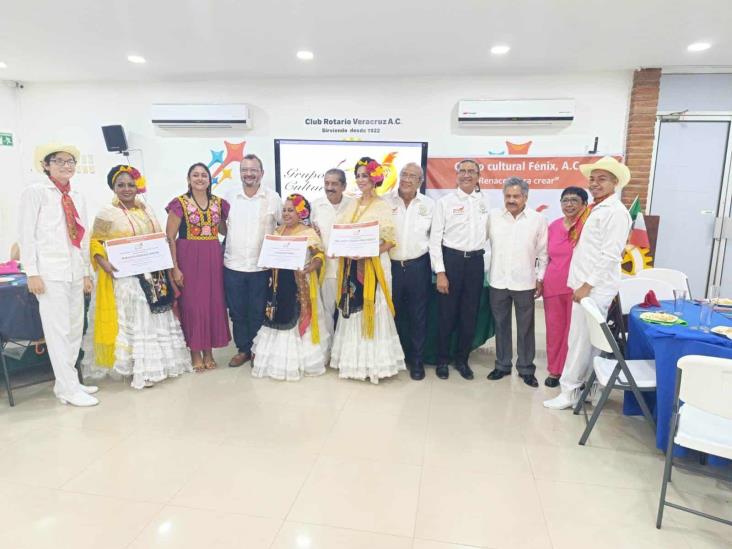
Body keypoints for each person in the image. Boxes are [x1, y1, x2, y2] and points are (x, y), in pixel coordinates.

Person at [84, 165, 191, 389]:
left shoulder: (146, 209)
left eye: (130, 184)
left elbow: (159, 236)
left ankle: (158, 364)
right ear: (113, 187)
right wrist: (102, 261)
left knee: (154, 319)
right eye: (120, 185)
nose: (126, 189)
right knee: (136, 321)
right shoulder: (107, 212)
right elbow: (96, 241)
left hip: (153, 275)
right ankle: (137, 369)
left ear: (137, 186)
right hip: (126, 279)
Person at [544, 156, 632, 410]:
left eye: (601, 179)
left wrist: (587, 285)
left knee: (580, 342)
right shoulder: (596, 208)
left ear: (615, 183)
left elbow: (610, 255)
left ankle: (569, 390)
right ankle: (590, 389)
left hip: (594, 289)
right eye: (592, 179)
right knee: (590, 342)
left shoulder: (615, 213)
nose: (594, 184)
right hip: (586, 287)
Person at [18, 143, 98, 406]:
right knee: (58, 331)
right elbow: (26, 235)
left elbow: (83, 237)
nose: (67, 166)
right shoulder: (36, 192)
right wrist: (32, 272)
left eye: (71, 161)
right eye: (60, 161)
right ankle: (66, 388)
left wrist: (86, 272)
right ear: (46, 165)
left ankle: (70, 383)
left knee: (75, 328)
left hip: (75, 269)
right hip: (49, 272)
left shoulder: (77, 195)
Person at [329, 157, 406, 383]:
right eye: (358, 175)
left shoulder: (382, 206)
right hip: (351, 267)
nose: (361, 180)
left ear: (375, 178)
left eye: (365, 175)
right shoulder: (351, 204)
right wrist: (338, 248)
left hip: (374, 267)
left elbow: (390, 241)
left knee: (373, 310)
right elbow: (341, 232)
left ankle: (375, 365)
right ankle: (353, 363)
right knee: (353, 311)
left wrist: (369, 252)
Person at [251, 194, 329, 380]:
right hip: (278, 285)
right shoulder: (277, 232)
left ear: (300, 212)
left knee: (300, 320)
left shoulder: (308, 233)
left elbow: (319, 256)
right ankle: (273, 361)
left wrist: (311, 267)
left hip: (300, 284)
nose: (286, 214)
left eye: (290, 210)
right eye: (284, 210)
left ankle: (301, 362)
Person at [166, 163, 231, 371]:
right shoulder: (179, 203)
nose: (200, 178)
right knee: (193, 304)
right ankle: (195, 351)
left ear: (210, 179)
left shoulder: (219, 203)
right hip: (188, 256)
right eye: (195, 175)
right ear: (188, 179)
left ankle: (209, 351)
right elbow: (170, 237)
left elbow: (223, 230)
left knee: (212, 303)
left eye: (204, 175)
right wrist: (175, 267)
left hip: (212, 257)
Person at [429, 159, 489, 380]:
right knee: (447, 314)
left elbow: (488, 235)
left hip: (475, 263)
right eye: (462, 171)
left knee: (469, 314)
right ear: (456, 176)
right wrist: (441, 273)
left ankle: (462, 360)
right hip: (451, 261)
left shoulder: (484, 201)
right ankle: (442, 360)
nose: (466, 175)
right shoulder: (445, 202)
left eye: (471, 171)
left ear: (478, 176)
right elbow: (434, 240)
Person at [485, 177, 548, 388]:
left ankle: (526, 368)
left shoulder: (537, 219)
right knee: (501, 325)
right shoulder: (493, 217)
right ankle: (502, 365)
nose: (511, 200)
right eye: (508, 196)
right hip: (498, 280)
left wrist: (540, 278)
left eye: (516, 196)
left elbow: (543, 253)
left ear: (525, 197)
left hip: (525, 281)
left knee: (526, 328)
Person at [223, 154, 282, 367]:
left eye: (253, 170)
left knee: (258, 311)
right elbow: (221, 226)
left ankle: (258, 350)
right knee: (237, 311)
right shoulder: (229, 196)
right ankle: (243, 349)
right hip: (233, 264)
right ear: (240, 173)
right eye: (245, 170)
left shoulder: (273, 197)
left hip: (261, 266)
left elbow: (283, 226)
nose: (249, 174)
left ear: (262, 173)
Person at [385, 162, 434, 381]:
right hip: (390, 266)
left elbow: (434, 239)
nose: (406, 179)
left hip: (418, 267)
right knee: (389, 314)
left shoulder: (430, 205)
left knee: (418, 316)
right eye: (404, 174)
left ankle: (416, 361)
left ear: (420, 182)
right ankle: (390, 359)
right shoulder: (385, 201)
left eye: (412, 176)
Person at [542, 186, 590, 388]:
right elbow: (545, 256)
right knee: (555, 330)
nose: (569, 204)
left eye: (574, 200)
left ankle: (573, 373)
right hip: (553, 286)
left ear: (584, 205)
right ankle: (555, 370)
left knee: (575, 332)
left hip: (577, 289)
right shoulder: (553, 226)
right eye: (565, 200)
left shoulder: (587, 227)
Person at [310, 168, 354, 334]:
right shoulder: (315, 206)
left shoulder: (353, 205)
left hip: (349, 268)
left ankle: (342, 351)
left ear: (344, 186)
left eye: (334, 183)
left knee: (348, 312)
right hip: (326, 269)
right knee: (326, 312)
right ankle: (328, 351)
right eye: (327, 183)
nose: (330, 187)